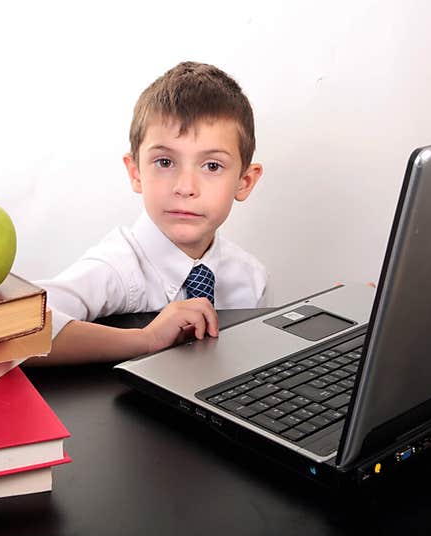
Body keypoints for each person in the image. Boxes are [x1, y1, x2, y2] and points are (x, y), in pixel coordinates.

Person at [33, 61, 268, 365]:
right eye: (165, 162)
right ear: (136, 172)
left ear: (245, 182)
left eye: (212, 166)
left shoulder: (252, 279)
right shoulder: (117, 267)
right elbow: (15, 328)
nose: (185, 187)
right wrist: (145, 339)